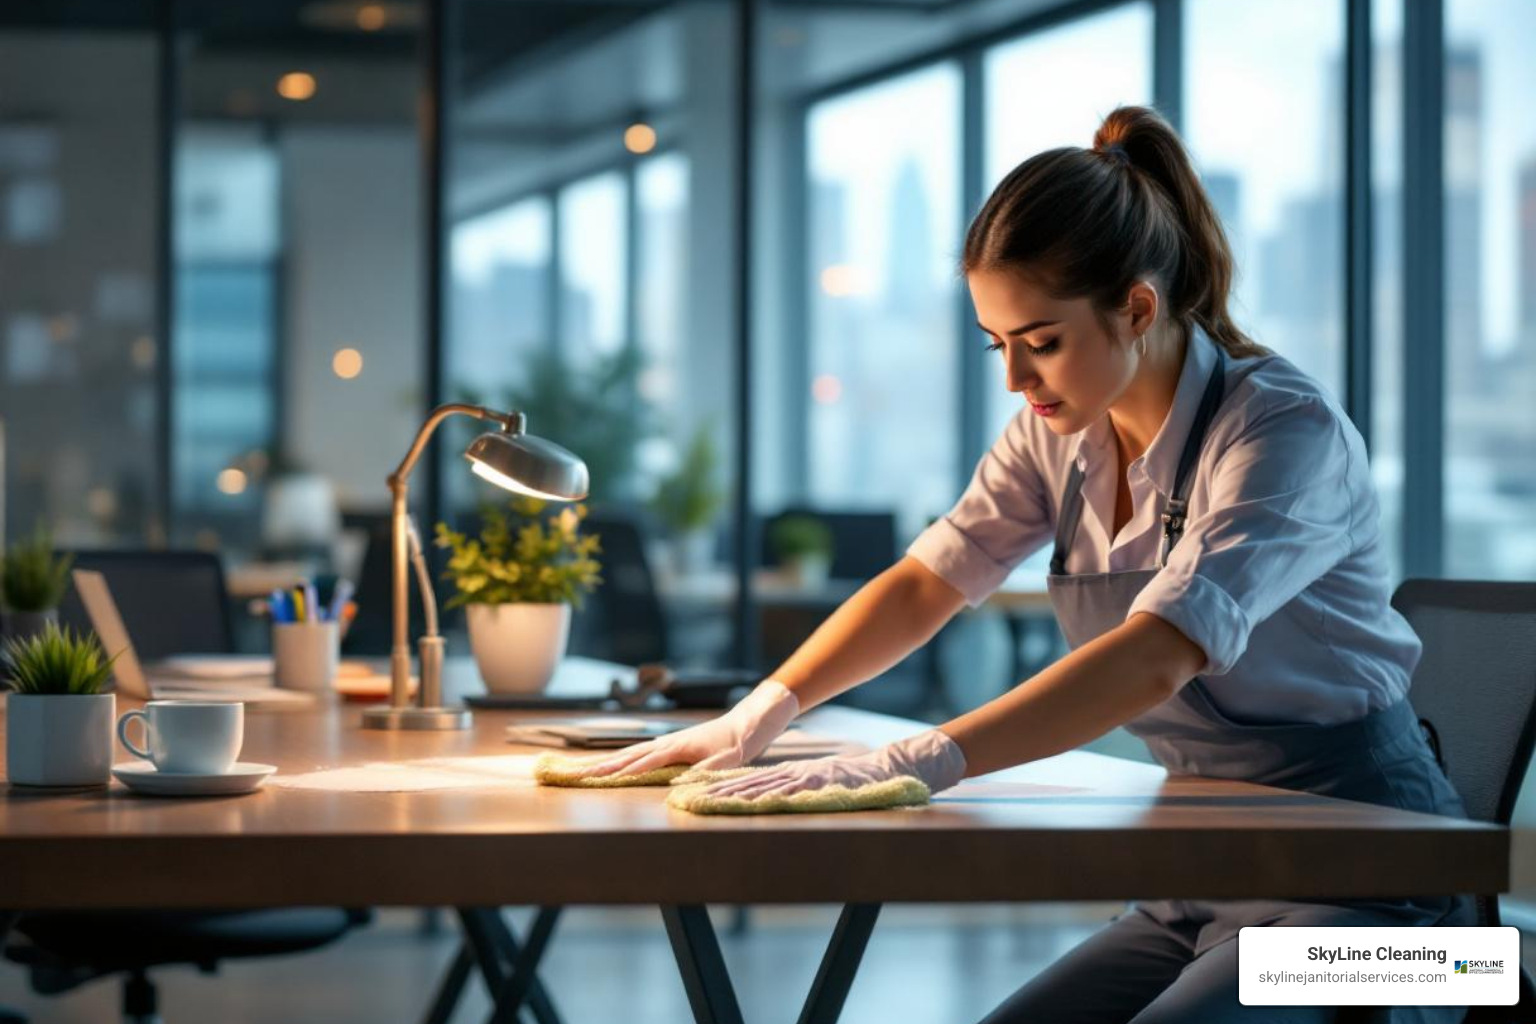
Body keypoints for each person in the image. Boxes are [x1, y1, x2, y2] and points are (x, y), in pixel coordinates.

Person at [578, 105, 1470, 1023]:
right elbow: (929, 579)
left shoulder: (1284, 431)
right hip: (1205, 872)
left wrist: (923, 756)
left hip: (1389, 906)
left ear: (1137, 307)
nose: (1015, 379)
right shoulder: (1057, 437)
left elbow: (1161, 651)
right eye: (997, 344)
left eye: (1040, 342)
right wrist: (764, 709)